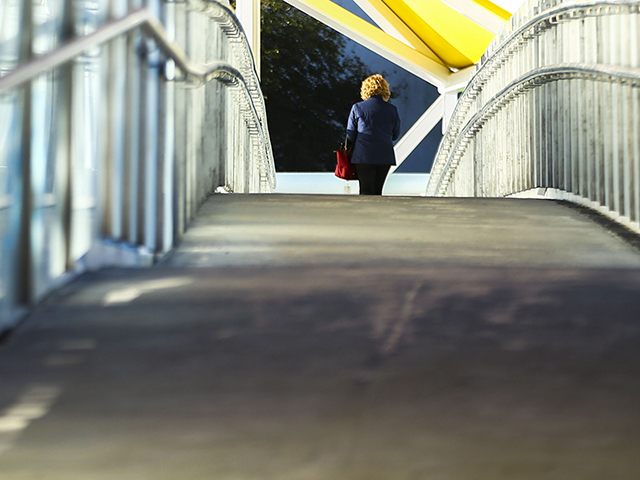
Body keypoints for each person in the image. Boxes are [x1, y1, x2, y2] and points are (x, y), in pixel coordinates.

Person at [346, 74, 401, 195]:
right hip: (384, 155)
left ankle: (364, 214)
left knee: (365, 191)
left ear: (365, 89)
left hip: (363, 155)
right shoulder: (392, 109)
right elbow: (395, 134)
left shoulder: (357, 108)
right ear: (385, 89)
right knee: (377, 191)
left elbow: (350, 135)